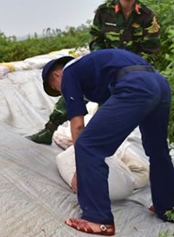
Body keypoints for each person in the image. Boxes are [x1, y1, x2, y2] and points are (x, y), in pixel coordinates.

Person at [41, 49, 174, 235]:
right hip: (159, 83)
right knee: (158, 150)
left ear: (56, 74)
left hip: (135, 86)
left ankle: (97, 219)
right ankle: (167, 207)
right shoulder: (93, 68)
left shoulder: (69, 72)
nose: (61, 92)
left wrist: (82, 169)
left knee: (87, 146)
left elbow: (77, 124)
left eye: (56, 87)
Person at [29, 0, 161, 145]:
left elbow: (151, 51)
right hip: (102, 65)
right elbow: (95, 39)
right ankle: (49, 129)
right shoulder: (104, 11)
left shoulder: (147, 17)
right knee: (72, 85)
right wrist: (101, 58)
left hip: (130, 72)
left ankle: (99, 143)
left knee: (109, 110)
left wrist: (134, 70)